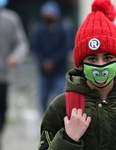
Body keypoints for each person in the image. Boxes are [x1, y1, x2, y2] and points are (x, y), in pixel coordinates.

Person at [38, 0, 116, 149]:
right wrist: (68, 139)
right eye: (92, 58)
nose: (100, 65)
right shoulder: (60, 108)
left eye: (107, 58)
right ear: (80, 64)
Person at [31, 0, 73, 113]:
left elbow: (66, 48)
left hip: (59, 71)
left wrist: (53, 61)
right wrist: (43, 61)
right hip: (43, 72)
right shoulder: (39, 30)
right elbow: (36, 48)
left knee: (59, 99)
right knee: (42, 100)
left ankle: (58, 120)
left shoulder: (63, 29)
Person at [0, 0, 29, 147]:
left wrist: (15, 57)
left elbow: (22, 43)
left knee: (2, 111)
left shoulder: (10, 19)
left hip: (3, 76)